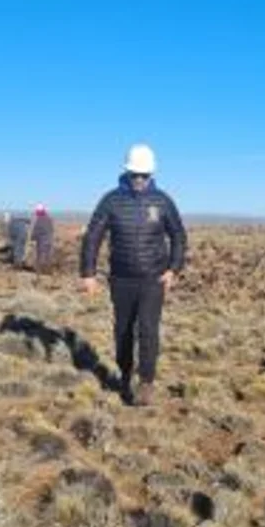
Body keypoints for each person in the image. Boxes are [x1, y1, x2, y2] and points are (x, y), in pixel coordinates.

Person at [79, 143, 187, 406]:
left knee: (148, 330)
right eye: (135, 174)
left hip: (153, 279)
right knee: (123, 331)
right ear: (127, 172)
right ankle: (125, 374)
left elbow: (178, 236)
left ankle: (146, 382)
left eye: (144, 175)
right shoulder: (111, 200)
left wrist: (173, 269)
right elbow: (93, 236)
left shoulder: (162, 201)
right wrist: (88, 273)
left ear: (151, 174)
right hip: (121, 279)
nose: (139, 179)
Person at [30, 204, 55, 273]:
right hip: (50, 240)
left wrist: (32, 238)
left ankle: (40, 270)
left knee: (40, 255)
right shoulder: (49, 219)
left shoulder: (39, 220)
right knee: (48, 255)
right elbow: (52, 229)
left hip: (42, 241)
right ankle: (48, 269)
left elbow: (36, 230)